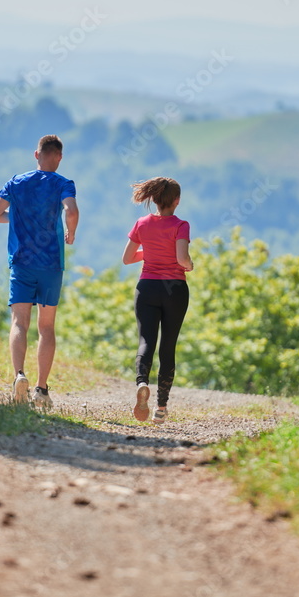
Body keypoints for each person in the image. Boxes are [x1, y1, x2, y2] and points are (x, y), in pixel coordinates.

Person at [0, 135, 79, 408]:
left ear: (36, 155)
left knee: (19, 323)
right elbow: (71, 210)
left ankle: (19, 377)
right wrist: (70, 231)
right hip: (51, 264)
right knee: (46, 326)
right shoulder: (64, 183)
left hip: (21, 262)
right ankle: (41, 389)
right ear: (59, 158)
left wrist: (13, 218)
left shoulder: (16, 182)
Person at [121, 177, 192, 424]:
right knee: (167, 345)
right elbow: (182, 259)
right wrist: (190, 263)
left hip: (147, 288)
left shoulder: (141, 223)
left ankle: (142, 383)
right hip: (174, 289)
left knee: (145, 341)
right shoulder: (181, 225)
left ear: (154, 199)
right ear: (176, 201)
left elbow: (127, 258)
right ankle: (161, 408)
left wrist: (150, 251)